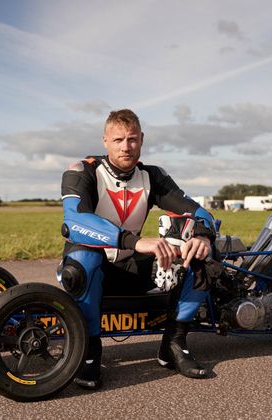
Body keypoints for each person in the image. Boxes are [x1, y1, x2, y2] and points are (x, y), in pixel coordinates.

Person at [58, 109, 217, 389]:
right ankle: (89, 352)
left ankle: (174, 346)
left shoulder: (151, 175)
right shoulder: (82, 171)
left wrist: (203, 236)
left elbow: (199, 212)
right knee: (85, 257)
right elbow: (75, 221)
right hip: (90, 269)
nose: (126, 146)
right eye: (118, 139)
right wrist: (135, 241)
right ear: (105, 140)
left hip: (129, 264)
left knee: (200, 258)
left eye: (132, 139)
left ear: (142, 139)